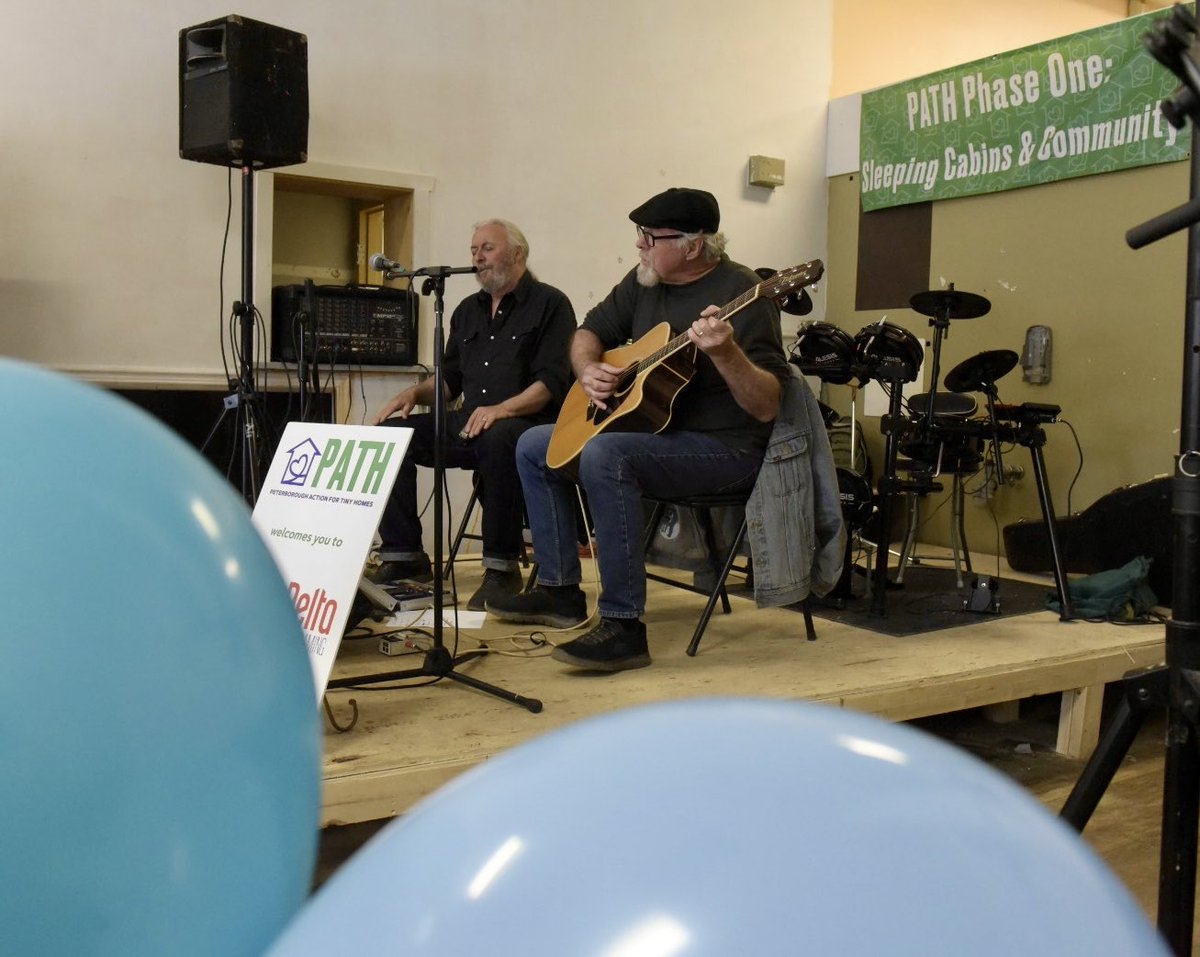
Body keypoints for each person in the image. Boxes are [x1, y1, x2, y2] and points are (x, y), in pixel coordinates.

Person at [486, 187, 792, 672]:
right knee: (532, 444)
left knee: (607, 456)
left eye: (650, 237)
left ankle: (623, 626)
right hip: (656, 435)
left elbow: (767, 406)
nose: (639, 246)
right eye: (639, 235)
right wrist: (588, 369)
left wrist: (725, 353)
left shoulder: (744, 295)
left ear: (693, 246)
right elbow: (589, 330)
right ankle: (560, 590)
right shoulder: (645, 280)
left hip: (727, 451)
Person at [371, 219, 576, 611]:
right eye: (473, 250)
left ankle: (501, 569)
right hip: (468, 422)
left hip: (527, 424)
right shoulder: (466, 311)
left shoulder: (551, 304)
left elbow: (550, 383)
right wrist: (413, 392)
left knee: (500, 438)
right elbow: (450, 381)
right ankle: (404, 556)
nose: (478, 257)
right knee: (391, 435)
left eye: (488, 248)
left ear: (518, 253)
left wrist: (501, 409)